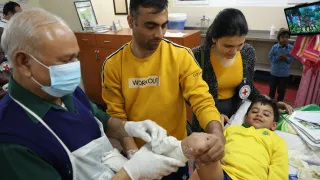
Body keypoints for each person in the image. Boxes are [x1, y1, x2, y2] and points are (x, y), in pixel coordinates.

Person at [0, 8, 194, 180]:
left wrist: (130, 128)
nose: (75, 67)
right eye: (66, 60)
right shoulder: (12, 141)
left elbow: (102, 119)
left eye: (76, 57)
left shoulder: (65, 91)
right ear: (24, 62)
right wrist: (131, 174)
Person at [101, 0, 224, 179]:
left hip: (175, 151)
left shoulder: (180, 56)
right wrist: (134, 157)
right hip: (138, 153)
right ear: (130, 21)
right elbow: (117, 116)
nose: (159, 34)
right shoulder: (113, 65)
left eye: (163, 25)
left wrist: (217, 133)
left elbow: (202, 100)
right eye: (150, 26)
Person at [191, 8, 293, 130]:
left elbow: (248, 87)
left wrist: (271, 104)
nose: (234, 52)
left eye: (240, 44)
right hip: (205, 117)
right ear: (214, 38)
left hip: (236, 115)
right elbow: (191, 94)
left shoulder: (247, 53)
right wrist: (211, 116)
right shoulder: (198, 55)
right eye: (228, 46)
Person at [190, 98, 289, 180]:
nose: (259, 115)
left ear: (274, 125)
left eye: (266, 114)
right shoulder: (232, 129)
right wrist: (219, 124)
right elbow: (216, 142)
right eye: (254, 111)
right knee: (203, 150)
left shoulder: (276, 140)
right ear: (245, 118)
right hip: (221, 173)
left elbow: (279, 168)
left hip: (249, 177)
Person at [0, 1, 22, 99]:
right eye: (18, 14)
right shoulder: (2, 28)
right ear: (10, 14)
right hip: (6, 69)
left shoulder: (15, 27)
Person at [268, 28, 295, 102]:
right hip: (274, 73)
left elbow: (293, 58)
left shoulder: (291, 48)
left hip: (284, 74)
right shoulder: (275, 47)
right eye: (282, 37)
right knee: (272, 89)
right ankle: (270, 102)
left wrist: (286, 58)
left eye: (286, 37)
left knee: (282, 90)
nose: (284, 39)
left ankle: (280, 103)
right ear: (279, 38)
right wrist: (277, 58)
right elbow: (270, 56)